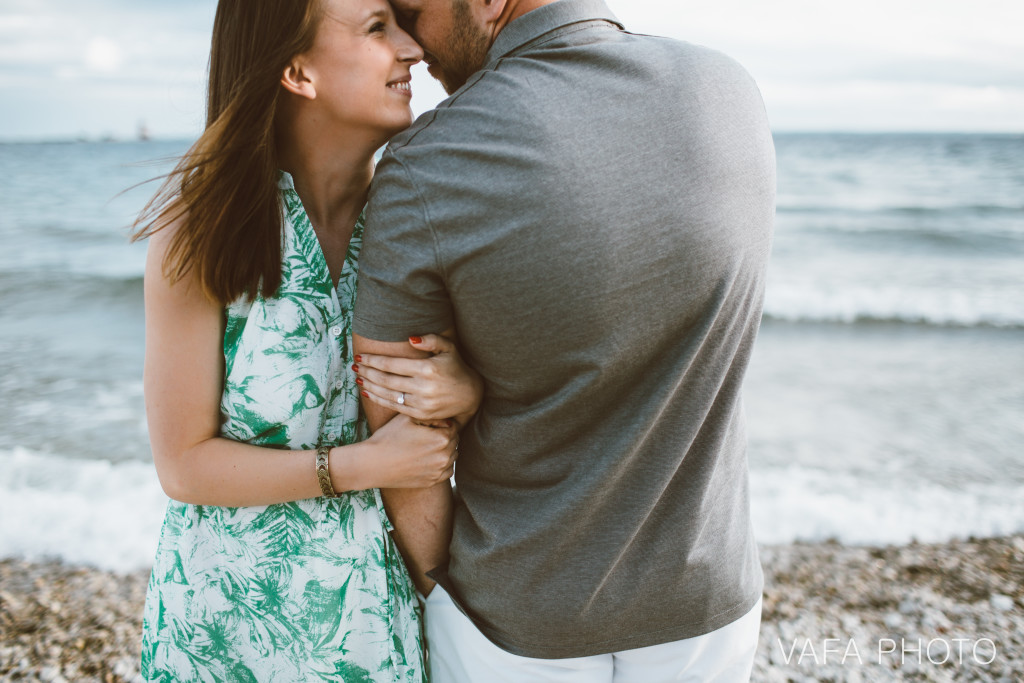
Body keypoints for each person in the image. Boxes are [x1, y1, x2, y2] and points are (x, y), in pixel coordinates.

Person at [350, 0, 776, 680]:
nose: (410, 39)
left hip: (516, 621)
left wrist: (438, 588)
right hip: (708, 606)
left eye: (414, 10)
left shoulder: (430, 158)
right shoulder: (730, 91)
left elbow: (395, 416)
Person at [131, 0, 482, 680]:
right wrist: (362, 465)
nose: (412, 48)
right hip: (222, 628)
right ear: (297, 70)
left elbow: (488, 384)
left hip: (369, 626)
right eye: (378, 27)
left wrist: (467, 388)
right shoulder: (202, 228)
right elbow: (184, 464)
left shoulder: (413, 221)